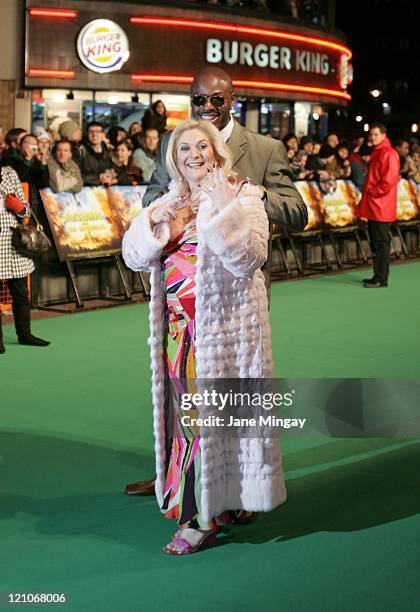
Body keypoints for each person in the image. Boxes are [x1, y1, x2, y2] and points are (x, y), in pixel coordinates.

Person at [128, 66, 307, 497]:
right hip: (180, 295)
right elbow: (152, 199)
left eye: (216, 99)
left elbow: (297, 212)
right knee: (179, 387)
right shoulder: (178, 142)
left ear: (233, 98)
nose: (207, 107)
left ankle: (234, 485)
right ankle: (174, 474)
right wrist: (169, 208)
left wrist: (252, 193)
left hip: (234, 297)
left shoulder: (263, 149)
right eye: (199, 100)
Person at [122, 118, 286, 554]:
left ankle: (200, 518)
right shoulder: (171, 199)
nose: (193, 156)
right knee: (195, 426)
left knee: (208, 425)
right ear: (174, 160)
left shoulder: (243, 193)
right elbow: (134, 256)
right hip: (181, 336)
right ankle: (226, 503)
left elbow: (249, 257)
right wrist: (156, 226)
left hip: (225, 336)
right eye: (183, 150)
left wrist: (221, 206)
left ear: (216, 150)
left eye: (200, 147)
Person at [0, 164, 50, 353]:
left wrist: (19, 208)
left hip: (15, 242)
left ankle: (25, 334)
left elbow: (27, 213)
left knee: (21, 292)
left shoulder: (10, 174)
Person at [357, 123, 400, 288]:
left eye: (375, 134)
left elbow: (388, 181)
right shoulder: (381, 152)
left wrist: (371, 191)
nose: (372, 137)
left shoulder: (387, 153)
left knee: (381, 242)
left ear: (383, 135)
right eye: (371, 135)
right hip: (377, 205)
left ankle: (381, 277)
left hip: (380, 205)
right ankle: (378, 275)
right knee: (377, 242)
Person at [76, 122, 116, 187]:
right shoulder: (78, 150)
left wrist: (113, 177)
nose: (94, 134)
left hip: (103, 191)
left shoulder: (105, 150)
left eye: (98, 131)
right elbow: (75, 175)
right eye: (91, 131)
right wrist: (99, 178)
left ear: (103, 134)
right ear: (87, 134)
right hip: (85, 191)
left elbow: (114, 168)